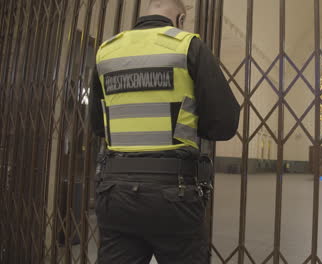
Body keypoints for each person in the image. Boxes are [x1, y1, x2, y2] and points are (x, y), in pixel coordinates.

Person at [88, 0, 240, 263]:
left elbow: (97, 125)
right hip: (174, 194)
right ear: (180, 19)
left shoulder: (106, 51)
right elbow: (224, 123)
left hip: (115, 193)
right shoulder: (188, 46)